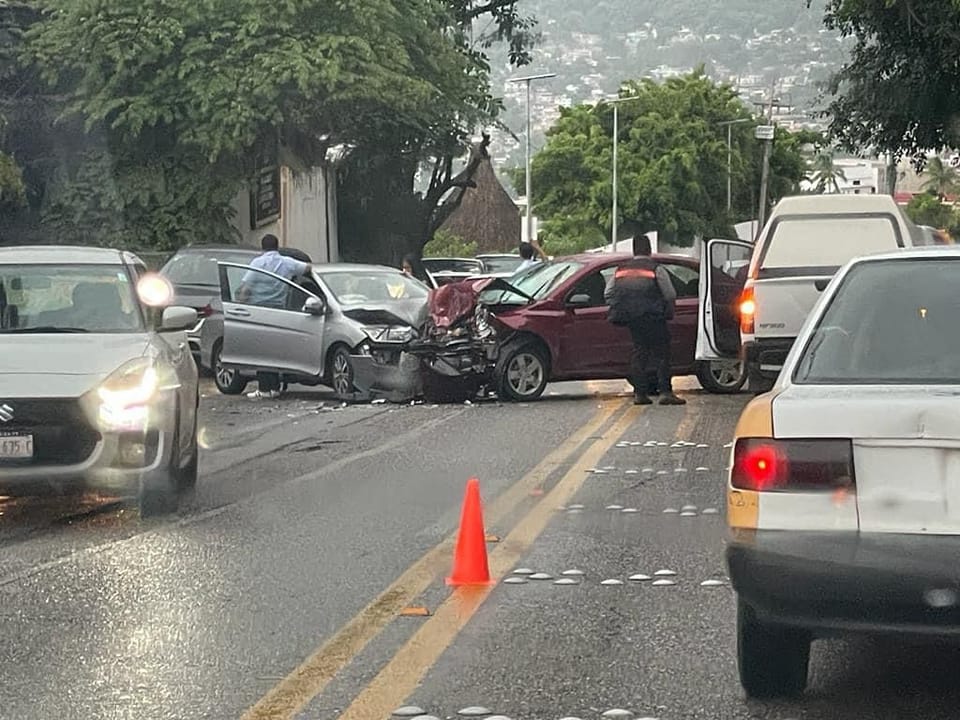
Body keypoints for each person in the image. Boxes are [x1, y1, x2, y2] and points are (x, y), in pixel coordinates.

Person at [605, 235, 685, 406]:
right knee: (662, 353)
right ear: (649, 249)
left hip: (632, 318)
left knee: (639, 352)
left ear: (634, 250)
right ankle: (665, 392)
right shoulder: (656, 268)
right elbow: (670, 294)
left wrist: (623, 305)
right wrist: (667, 309)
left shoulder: (621, 270)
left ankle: (640, 394)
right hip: (654, 317)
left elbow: (608, 293)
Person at [238, 234, 313, 400]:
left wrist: (240, 305)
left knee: (261, 352)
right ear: (277, 246)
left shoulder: (257, 263)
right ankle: (275, 388)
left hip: (259, 311)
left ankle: (264, 389)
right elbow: (308, 268)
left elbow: (246, 288)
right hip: (279, 311)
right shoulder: (287, 263)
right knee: (274, 351)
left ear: (262, 247)